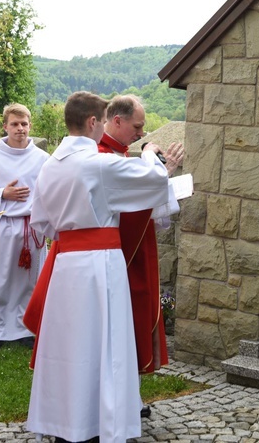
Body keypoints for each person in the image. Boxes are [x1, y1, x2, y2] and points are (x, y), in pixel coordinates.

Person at [23, 91, 170, 442]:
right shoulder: (96, 164)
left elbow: (41, 223)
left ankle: (64, 421)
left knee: (67, 346)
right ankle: (96, 424)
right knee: (104, 343)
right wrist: (150, 154)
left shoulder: (49, 166)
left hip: (65, 266)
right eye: (103, 121)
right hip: (99, 264)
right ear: (93, 122)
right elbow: (154, 181)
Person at [99, 95, 184, 416]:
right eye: (137, 127)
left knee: (132, 321)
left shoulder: (120, 154)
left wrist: (160, 174)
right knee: (123, 323)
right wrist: (156, 170)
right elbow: (120, 211)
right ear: (116, 121)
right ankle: (119, 401)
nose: (141, 134)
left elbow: (142, 204)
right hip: (119, 256)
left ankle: (128, 397)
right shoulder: (102, 156)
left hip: (136, 250)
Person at [0, 103, 49, 350]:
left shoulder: (42, 158)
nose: (20, 129)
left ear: (30, 125)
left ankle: (25, 328)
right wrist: (2, 193)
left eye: (24, 124)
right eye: (15, 124)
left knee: (29, 282)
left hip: (32, 228)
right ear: (5, 126)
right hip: (4, 225)